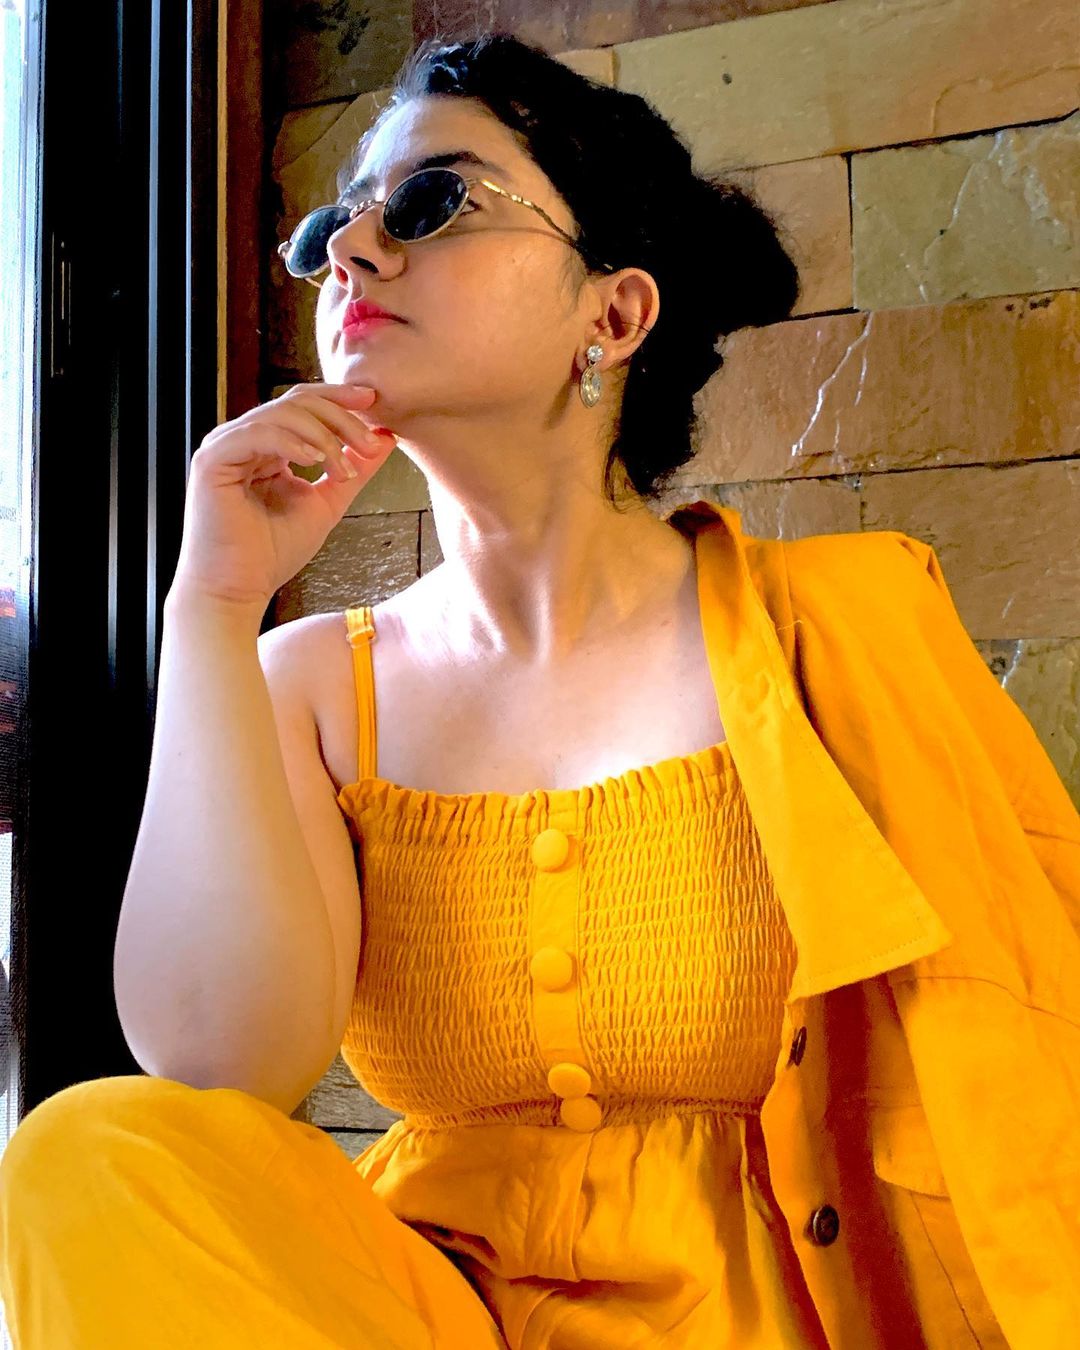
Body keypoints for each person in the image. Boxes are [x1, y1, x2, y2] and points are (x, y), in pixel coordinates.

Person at [2, 29, 1077, 1350]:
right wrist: (212, 606)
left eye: (432, 203)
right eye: (334, 229)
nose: (353, 251)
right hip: (429, 1315)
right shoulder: (314, 685)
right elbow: (219, 1069)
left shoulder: (839, 626)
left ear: (611, 316)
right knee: (92, 1151)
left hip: (774, 1320)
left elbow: (1028, 1050)